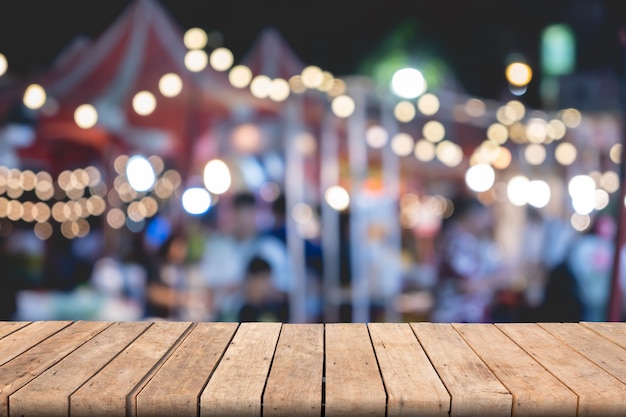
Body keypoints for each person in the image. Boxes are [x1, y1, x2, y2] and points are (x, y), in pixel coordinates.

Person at [199, 190, 293, 321]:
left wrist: (260, 289)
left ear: (256, 214)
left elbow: (287, 290)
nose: (244, 221)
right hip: (225, 320)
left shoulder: (272, 249)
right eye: (239, 215)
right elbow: (207, 289)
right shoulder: (217, 247)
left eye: (248, 214)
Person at [430, 196, 510, 323]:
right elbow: (468, 285)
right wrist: (499, 278)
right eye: (483, 216)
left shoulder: (465, 240)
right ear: (472, 216)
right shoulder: (457, 242)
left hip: (463, 319)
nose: (485, 221)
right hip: (456, 320)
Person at [238, 256, 289, 322]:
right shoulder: (241, 310)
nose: (267, 285)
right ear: (251, 280)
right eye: (263, 279)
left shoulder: (277, 306)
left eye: (268, 279)